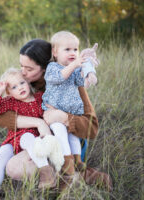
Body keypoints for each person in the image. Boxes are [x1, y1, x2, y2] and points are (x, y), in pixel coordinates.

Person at [0, 38, 112, 193]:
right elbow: (1, 118)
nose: (23, 72)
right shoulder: (22, 84)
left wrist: (65, 117)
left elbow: (92, 128)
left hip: (59, 144)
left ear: (45, 69)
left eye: (29, 68)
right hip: (27, 139)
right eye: (21, 66)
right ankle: (35, 179)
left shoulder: (69, 83)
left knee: (14, 168)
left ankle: (78, 176)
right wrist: (38, 123)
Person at [0, 68, 60, 199]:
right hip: (12, 140)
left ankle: (46, 171)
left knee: (27, 137)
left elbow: (52, 107)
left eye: (22, 83)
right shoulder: (11, 102)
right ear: (9, 92)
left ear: (28, 82)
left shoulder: (39, 98)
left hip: (32, 138)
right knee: (0, 156)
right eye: (14, 87)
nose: (20, 88)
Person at [41, 31, 97, 187]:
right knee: (60, 133)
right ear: (55, 52)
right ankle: (68, 166)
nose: (73, 53)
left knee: (73, 136)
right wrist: (74, 65)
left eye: (75, 49)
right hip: (53, 112)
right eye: (67, 50)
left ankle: (78, 161)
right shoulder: (52, 67)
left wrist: (88, 73)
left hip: (71, 114)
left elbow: (81, 83)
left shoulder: (73, 69)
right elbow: (58, 77)